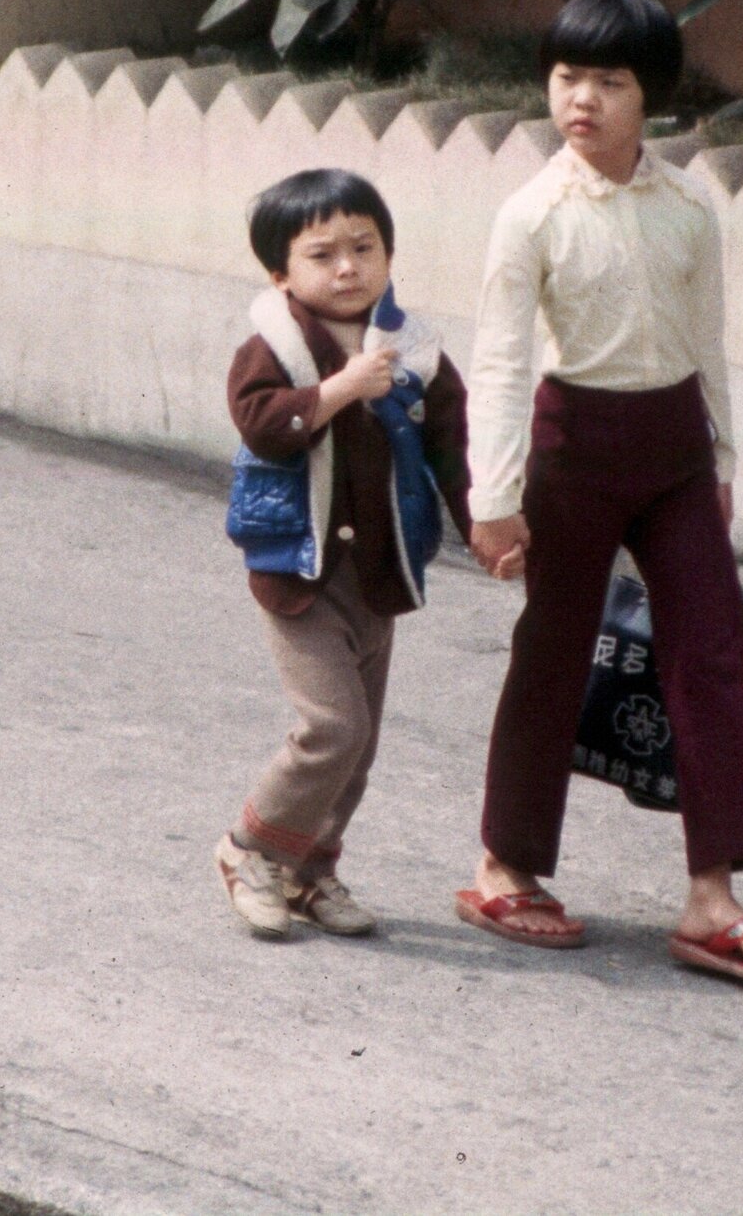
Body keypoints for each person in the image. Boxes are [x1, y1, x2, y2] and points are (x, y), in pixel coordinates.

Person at [458, 0, 743, 986]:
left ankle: (711, 895)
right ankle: (502, 865)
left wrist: (723, 462)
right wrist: (493, 495)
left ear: (649, 94)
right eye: (567, 76)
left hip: (676, 451)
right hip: (573, 451)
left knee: (710, 655)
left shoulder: (689, 209)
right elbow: (501, 361)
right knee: (553, 651)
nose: (582, 99)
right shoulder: (530, 216)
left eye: (609, 80)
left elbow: (710, 345)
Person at [216, 169, 474, 939]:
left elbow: (451, 446)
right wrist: (338, 389)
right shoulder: (274, 347)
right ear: (280, 272)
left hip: (379, 572)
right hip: (296, 570)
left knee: (359, 746)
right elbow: (262, 423)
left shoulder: (415, 350)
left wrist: (485, 524)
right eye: (321, 253)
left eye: (364, 247)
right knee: (332, 725)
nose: (347, 267)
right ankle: (248, 850)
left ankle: (310, 869)